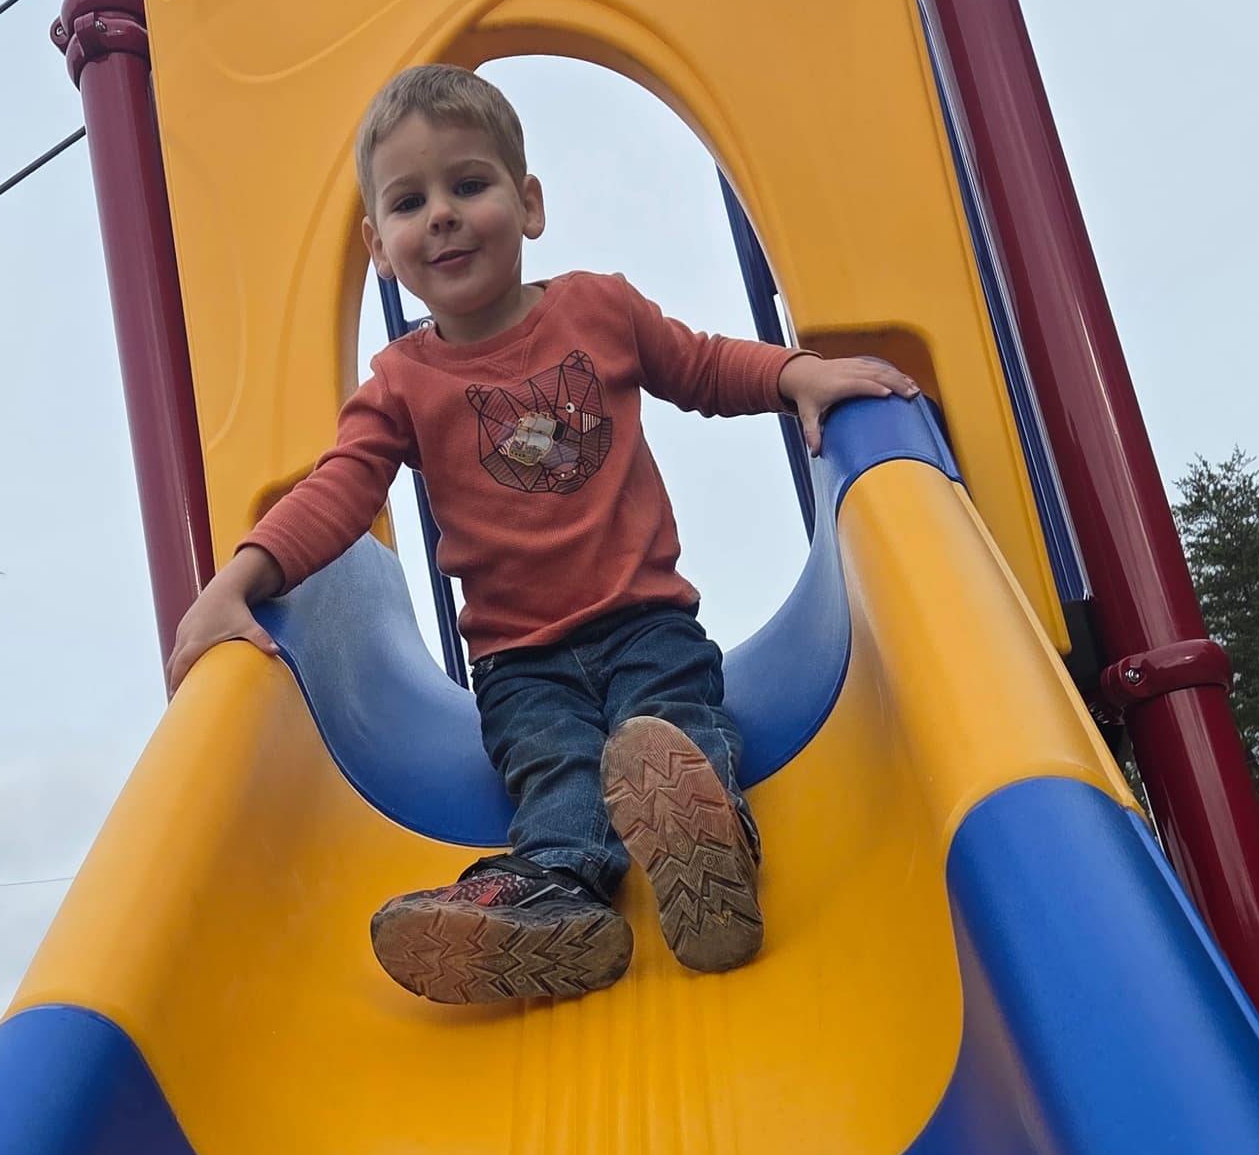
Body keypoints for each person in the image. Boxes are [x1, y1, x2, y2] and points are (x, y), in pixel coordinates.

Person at [163, 65, 917, 1006]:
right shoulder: (400, 381)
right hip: (520, 661)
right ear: (379, 248)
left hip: (647, 621)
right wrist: (243, 572)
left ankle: (707, 856)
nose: (441, 213)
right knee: (555, 777)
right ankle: (556, 901)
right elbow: (342, 490)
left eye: (468, 185)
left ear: (528, 204)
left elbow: (703, 365)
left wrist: (794, 375)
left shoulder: (599, 309)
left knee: (672, 731)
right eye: (409, 201)